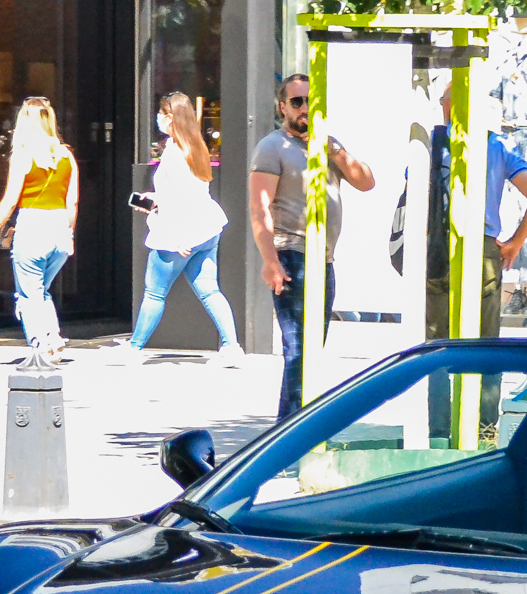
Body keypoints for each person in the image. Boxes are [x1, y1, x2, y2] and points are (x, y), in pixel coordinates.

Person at [250, 73, 375, 421]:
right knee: (298, 352)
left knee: (311, 353)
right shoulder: (273, 147)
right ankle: (286, 436)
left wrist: (333, 147)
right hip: (291, 255)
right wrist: (270, 260)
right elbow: (259, 208)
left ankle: (296, 431)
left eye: (310, 102)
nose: (304, 109)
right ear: (283, 108)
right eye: (297, 102)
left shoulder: (328, 146)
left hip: (324, 261)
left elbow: (366, 182)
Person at [126, 91, 240, 363]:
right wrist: (155, 200)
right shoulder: (196, 147)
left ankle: (134, 348)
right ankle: (231, 346)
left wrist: (174, 236)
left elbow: (177, 200)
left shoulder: (174, 153)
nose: (158, 119)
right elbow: (186, 193)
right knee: (210, 290)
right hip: (206, 229)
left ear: (170, 117)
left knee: (154, 292)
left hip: (179, 233)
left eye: (161, 114)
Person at [413, 123, 527, 342]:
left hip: (439, 243)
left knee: (437, 339)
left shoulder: (432, 141)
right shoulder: (498, 145)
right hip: (483, 246)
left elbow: (413, 189)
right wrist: (515, 243)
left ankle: (439, 376)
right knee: (484, 338)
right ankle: (486, 376)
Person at [0, 97, 77, 365]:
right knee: (40, 290)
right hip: (60, 230)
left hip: (33, 227)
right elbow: (72, 201)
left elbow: (10, 200)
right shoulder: (67, 156)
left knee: (28, 294)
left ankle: (41, 344)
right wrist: (70, 233)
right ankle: (53, 336)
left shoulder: (24, 155)